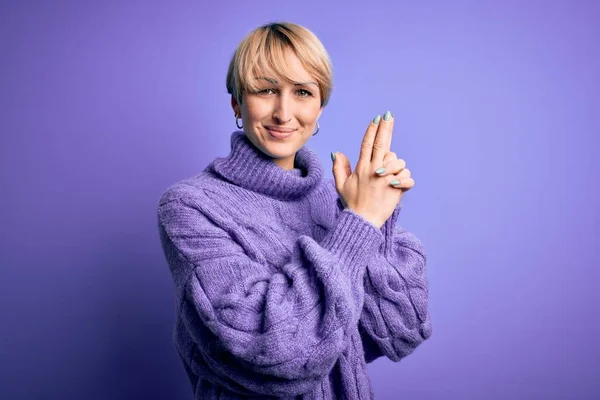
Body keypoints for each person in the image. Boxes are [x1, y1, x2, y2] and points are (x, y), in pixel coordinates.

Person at [157, 21, 432, 400]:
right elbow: (277, 355)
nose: (283, 113)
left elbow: (401, 331)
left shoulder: (338, 200)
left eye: (302, 92)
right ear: (237, 103)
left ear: (320, 107)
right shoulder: (191, 206)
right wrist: (360, 223)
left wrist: (377, 225)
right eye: (265, 90)